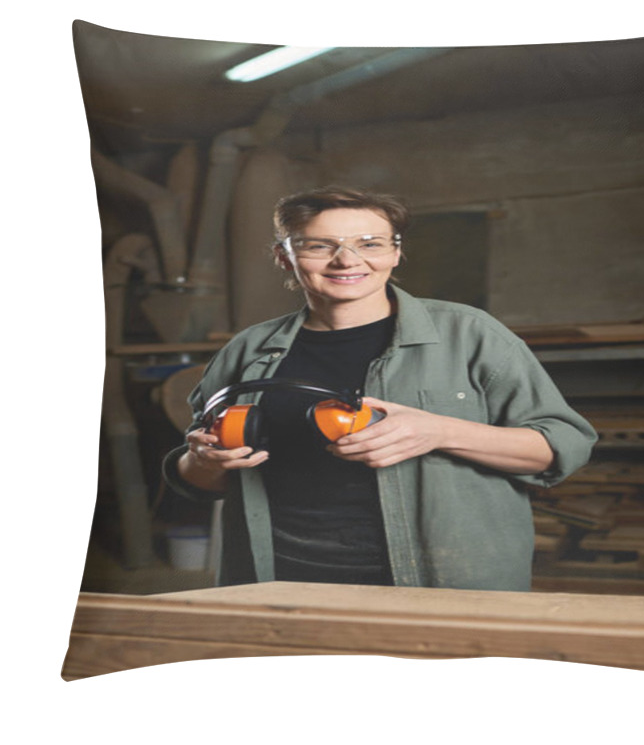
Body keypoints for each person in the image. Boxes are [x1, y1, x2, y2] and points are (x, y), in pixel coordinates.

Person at [163, 186, 597, 591]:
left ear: (395, 253)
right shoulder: (248, 350)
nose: (347, 261)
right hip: (282, 577)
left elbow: (561, 447)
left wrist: (441, 432)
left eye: (370, 244)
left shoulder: (469, 334)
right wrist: (204, 459)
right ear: (284, 256)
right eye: (320, 246)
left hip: (443, 581)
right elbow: (197, 476)